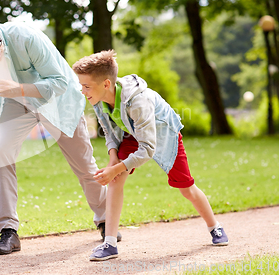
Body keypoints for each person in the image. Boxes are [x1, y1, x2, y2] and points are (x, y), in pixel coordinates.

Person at [0, 15, 116, 255]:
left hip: (57, 102)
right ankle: (8, 231)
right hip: (15, 103)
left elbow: (60, 81)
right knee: (1, 153)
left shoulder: (26, 37)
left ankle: (106, 221)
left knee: (83, 164)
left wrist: (18, 88)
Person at [72, 50, 229, 261]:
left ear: (106, 84)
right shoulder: (98, 99)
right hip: (132, 134)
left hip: (164, 137)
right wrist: (113, 159)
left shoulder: (138, 102)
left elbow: (148, 149)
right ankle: (109, 243)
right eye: (82, 86)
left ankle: (215, 227)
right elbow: (108, 131)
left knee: (186, 188)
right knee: (116, 180)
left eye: (86, 86)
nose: (82, 91)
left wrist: (116, 168)